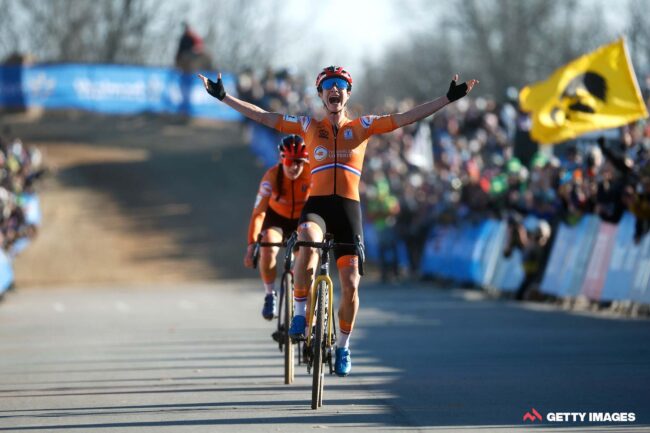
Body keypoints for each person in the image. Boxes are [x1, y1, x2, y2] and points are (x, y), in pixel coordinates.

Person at [199, 66, 478, 376]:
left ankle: (343, 347)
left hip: (348, 210)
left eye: (341, 85)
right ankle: (301, 314)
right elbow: (264, 116)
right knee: (307, 242)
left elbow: (405, 117)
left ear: (348, 93)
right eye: (328, 85)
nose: (334, 89)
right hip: (317, 206)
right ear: (320, 94)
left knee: (351, 284)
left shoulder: (362, 127)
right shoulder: (307, 125)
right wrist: (224, 97)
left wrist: (447, 99)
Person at [244, 135, 310, 320]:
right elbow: (258, 213)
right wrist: (251, 244)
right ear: (282, 159)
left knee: (304, 261)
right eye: (290, 161)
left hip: (301, 220)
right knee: (267, 246)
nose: (294, 166)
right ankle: (270, 294)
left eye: (299, 161)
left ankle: (302, 304)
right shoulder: (271, 176)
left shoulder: (312, 174)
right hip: (276, 219)